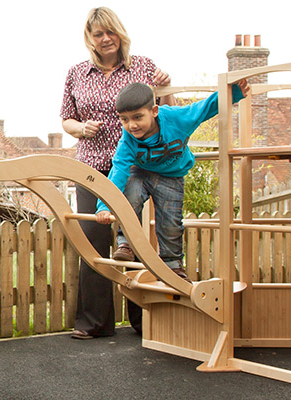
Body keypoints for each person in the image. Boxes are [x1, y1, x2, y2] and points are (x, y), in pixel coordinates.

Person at [60, 6, 175, 340]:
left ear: (119, 33)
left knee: (135, 241)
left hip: (136, 167)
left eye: (110, 32)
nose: (105, 39)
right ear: (90, 39)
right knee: (94, 241)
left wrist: (166, 88)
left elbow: (165, 110)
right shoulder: (76, 72)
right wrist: (81, 128)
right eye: (98, 34)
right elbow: (65, 118)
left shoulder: (143, 67)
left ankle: (143, 322)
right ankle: (94, 323)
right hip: (91, 168)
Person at [95, 81, 250, 281]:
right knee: (130, 195)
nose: (132, 125)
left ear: (154, 111)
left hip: (171, 176)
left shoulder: (178, 119)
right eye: (124, 119)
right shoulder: (127, 140)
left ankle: (172, 265)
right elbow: (118, 172)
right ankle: (126, 242)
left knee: (170, 223)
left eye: (137, 117)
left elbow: (203, 108)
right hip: (140, 172)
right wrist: (104, 207)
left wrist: (234, 93)